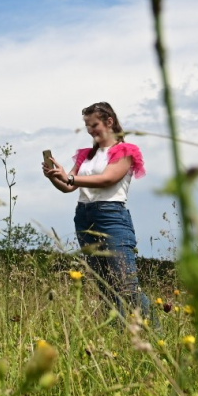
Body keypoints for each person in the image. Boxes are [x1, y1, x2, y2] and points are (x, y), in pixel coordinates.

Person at [43, 102, 149, 318]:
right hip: (84, 216)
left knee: (126, 283)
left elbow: (108, 179)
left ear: (109, 122)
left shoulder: (125, 151)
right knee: (105, 285)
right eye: (87, 126)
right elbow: (68, 187)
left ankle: (154, 331)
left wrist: (70, 177)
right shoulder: (86, 155)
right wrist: (55, 177)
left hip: (111, 216)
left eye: (94, 125)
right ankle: (120, 332)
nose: (91, 130)